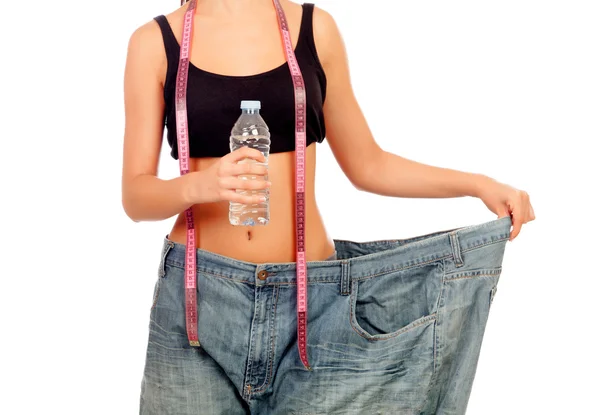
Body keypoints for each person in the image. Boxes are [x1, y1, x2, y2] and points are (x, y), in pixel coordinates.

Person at [121, 0, 535, 413]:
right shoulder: (155, 42)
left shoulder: (314, 29)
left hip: (316, 302)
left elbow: (369, 165)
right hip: (197, 301)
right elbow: (136, 196)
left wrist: (478, 185)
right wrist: (201, 184)